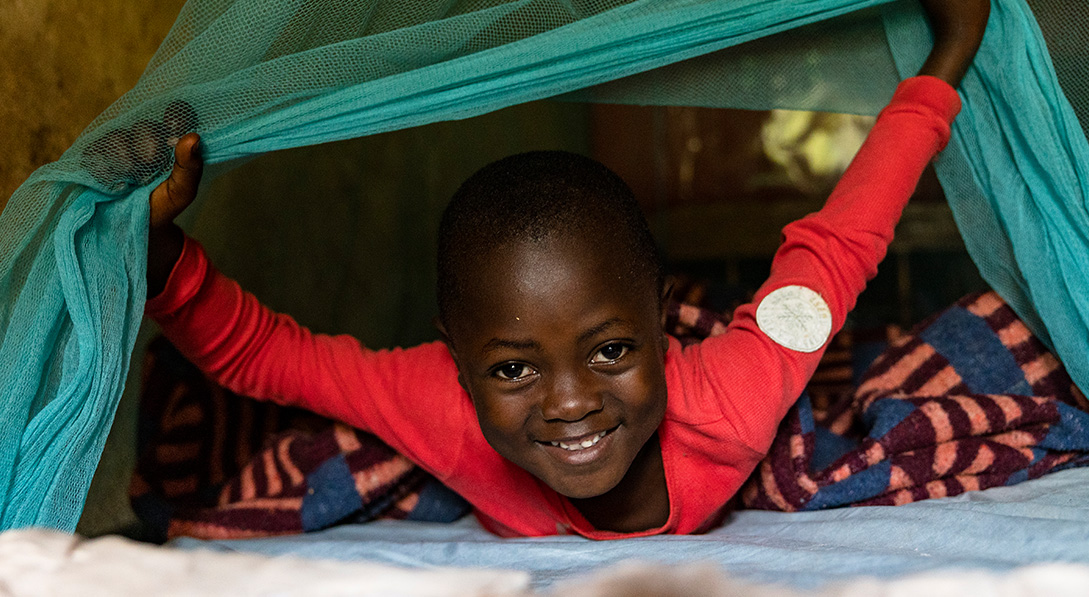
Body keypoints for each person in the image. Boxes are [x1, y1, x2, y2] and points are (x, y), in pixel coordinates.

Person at [144, 0, 990, 538]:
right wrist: (156, 250)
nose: (570, 400)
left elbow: (836, 249)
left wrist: (944, 59)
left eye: (609, 352)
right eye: (512, 367)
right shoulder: (437, 404)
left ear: (655, 326)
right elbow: (264, 354)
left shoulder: (735, 391)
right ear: (457, 360)